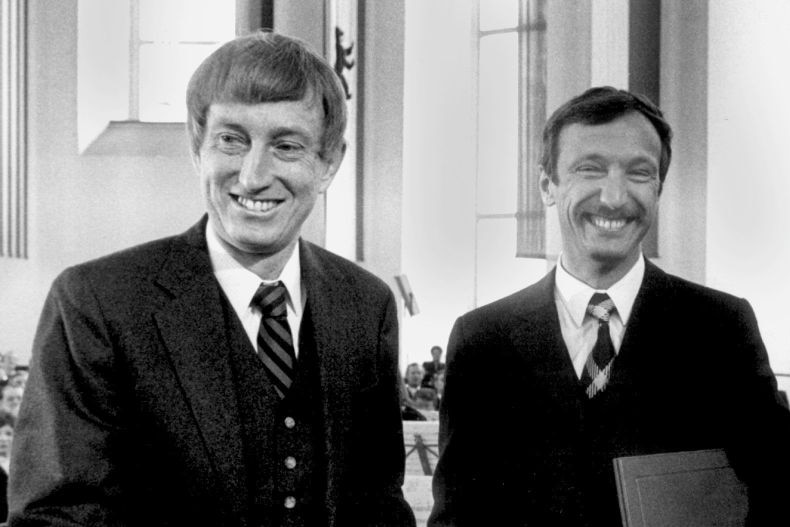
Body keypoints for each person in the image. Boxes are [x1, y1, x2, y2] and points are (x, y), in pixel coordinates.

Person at [9, 31, 415, 527]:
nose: (251, 176)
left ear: (328, 163)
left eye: (286, 146)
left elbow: (377, 505)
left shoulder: (365, 305)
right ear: (196, 147)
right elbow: (57, 518)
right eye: (231, 140)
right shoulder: (97, 304)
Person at [428, 86, 790, 526]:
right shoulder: (483, 339)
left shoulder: (720, 328)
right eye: (589, 169)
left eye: (639, 173)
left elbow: (778, 490)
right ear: (547, 185)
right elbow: (458, 515)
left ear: (659, 187)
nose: (614, 198)